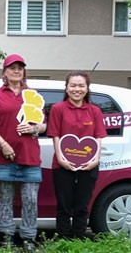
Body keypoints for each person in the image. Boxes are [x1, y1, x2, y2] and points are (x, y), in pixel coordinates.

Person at [0, 54, 45, 248]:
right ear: (5, 72)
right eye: (12, 68)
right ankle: (6, 236)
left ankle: (28, 237)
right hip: (3, 156)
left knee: (30, 200)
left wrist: (34, 129)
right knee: (5, 199)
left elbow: (43, 126)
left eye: (20, 68)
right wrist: (3, 144)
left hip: (30, 155)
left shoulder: (32, 95)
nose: (16, 71)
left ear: (24, 71)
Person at [48, 71, 104, 239]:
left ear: (87, 89)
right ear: (66, 88)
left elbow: (99, 137)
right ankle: (64, 240)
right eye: (73, 85)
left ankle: (79, 240)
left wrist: (96, 160)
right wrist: (60, 158)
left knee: (82, 206)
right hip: (62, 165)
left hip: (89, 165)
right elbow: (55, 135)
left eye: (81, 86)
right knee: (63, 206)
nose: (76, 89)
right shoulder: (58, 109)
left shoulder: (95, 111)